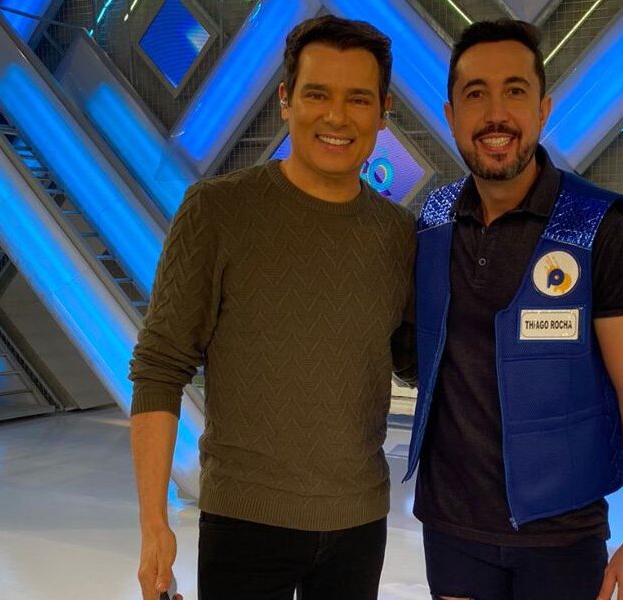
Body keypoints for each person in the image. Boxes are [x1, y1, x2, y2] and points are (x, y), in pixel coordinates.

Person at [128, 14, 416, 600]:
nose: (337, 117)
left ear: (383, 112)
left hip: (359, 522)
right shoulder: (217, 211)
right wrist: (154, 523)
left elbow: (415, 361)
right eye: (317, 94)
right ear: (286, 100)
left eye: (359, 99)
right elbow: (160, 366)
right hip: (244, 521)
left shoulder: (400, 234)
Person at [404, 19, 623, 600]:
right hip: (452, 527)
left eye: (515, 91)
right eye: (476, 94)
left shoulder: (599, 225)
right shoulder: (433, 220)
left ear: (543, 109)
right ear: (451, 114)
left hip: (562, 533)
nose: (496, 114)